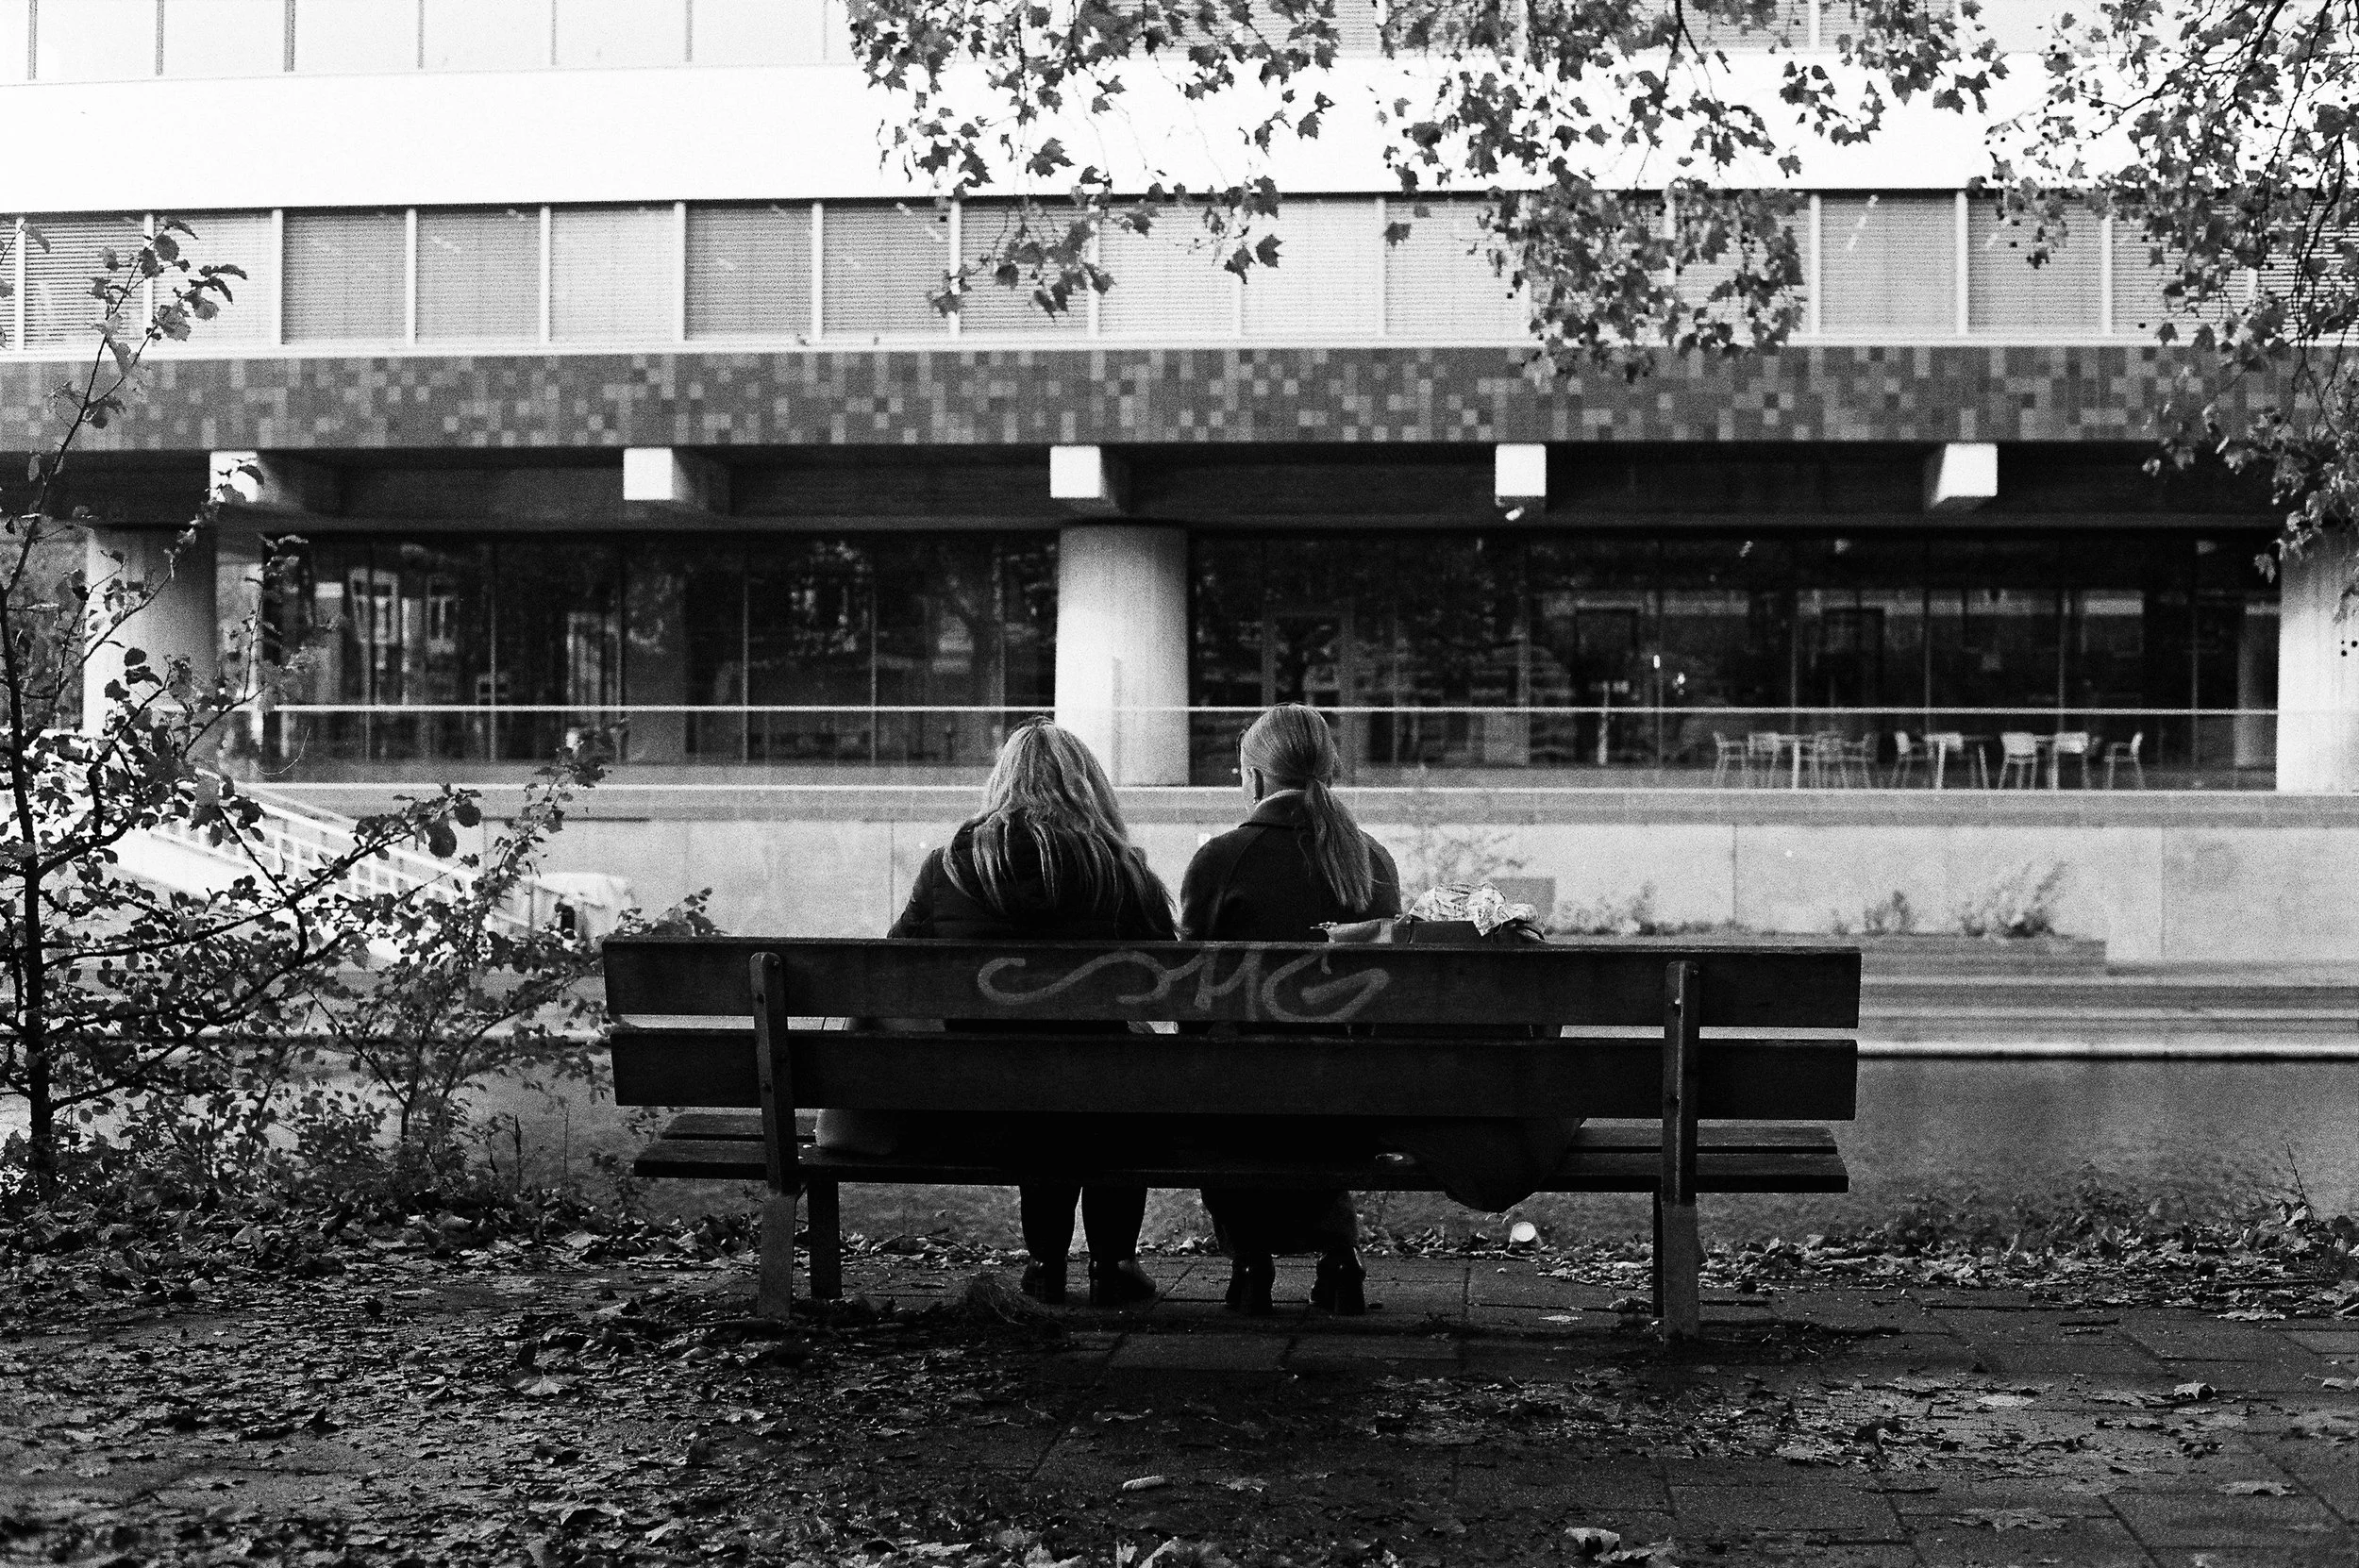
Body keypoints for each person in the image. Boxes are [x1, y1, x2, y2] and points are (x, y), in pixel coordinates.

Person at [879, 721, 1178, 1308]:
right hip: (1101, 1102)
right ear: (1089, 786)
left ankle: (1045, 1264)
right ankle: (1113, 1263)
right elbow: (1169, 982)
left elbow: (894, 971)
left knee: (1037, 1080)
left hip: (981, 1102)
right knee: (1103, 1080)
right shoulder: (1118, 869)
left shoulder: (949, 867)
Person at [1179, 704, 1401, 1315]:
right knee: (1318, 1079)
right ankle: (1339, 1256)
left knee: (1228, 1081)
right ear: (1327, 770)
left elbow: (1189, 1005)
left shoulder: (1221, 861)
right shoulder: (1371, 861)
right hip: (1352, 1109)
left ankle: (1250, 1259)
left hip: (1243, 1103)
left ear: (1252, 778)